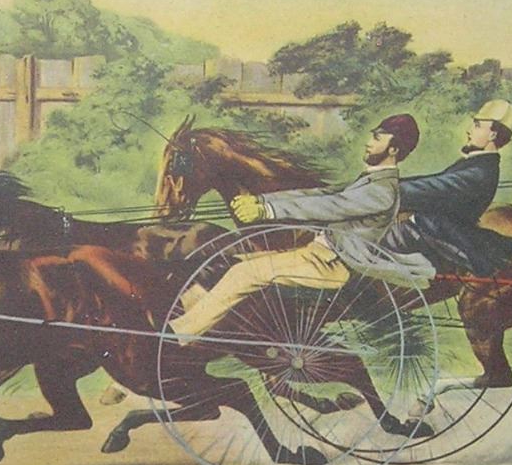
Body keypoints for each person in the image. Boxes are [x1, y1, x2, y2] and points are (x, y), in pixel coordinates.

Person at [167, 115, 432, 342]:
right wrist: (261, 201)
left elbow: (330, 206)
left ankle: (176, 335)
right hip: (317, 255)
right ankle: (192, 317)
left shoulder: (382, 192)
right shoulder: (370, 181)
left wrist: (267, 211)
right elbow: (317, 194)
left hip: (334, 265)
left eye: (377, 137)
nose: (369, 141)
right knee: (233, 261)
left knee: (245, 273)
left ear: (393, 149)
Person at [380, 99, 512, 278]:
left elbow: (432, 188)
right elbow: (433, 181)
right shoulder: (476, 164)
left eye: (477, 125)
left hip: (435, 234)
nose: (469, 130)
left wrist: (382, 189)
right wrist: (387, 182)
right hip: (432, 229)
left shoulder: (480, 172)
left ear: (492, 135)